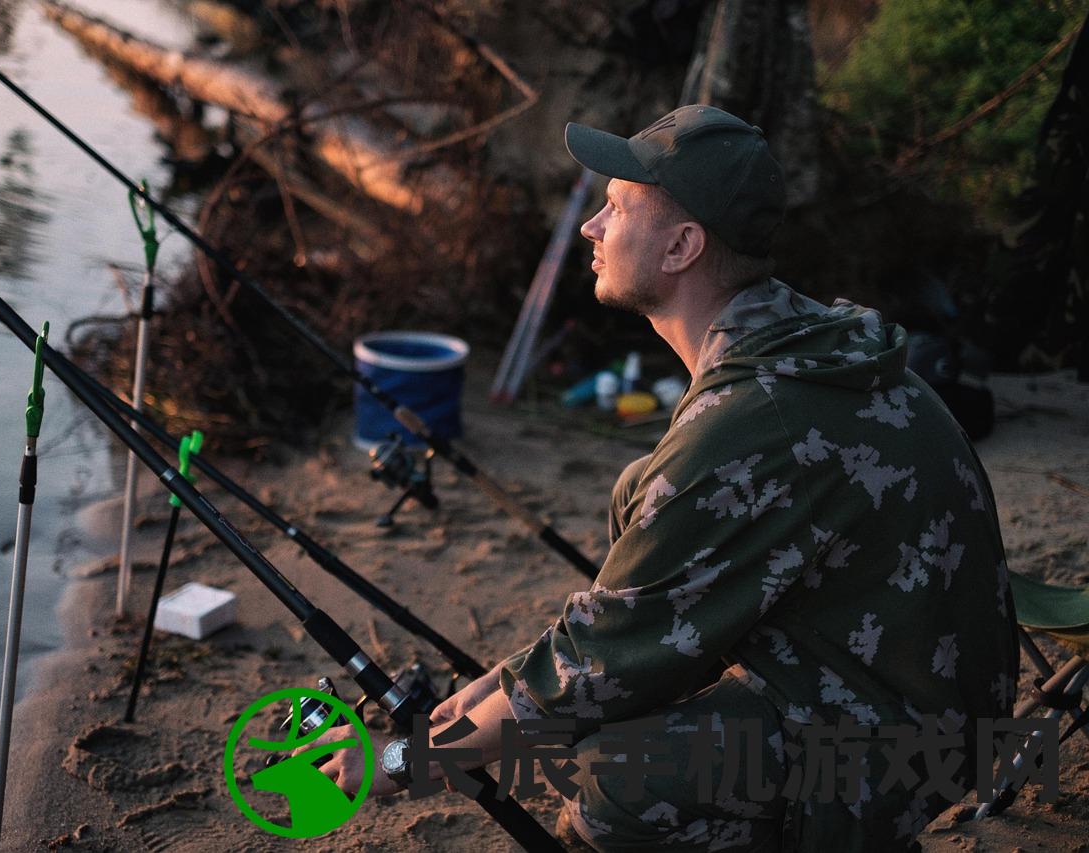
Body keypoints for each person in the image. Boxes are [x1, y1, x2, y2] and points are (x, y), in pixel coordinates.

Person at [299, 105, 1019, 851]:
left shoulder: (744, 425)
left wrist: (396, 760)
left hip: (903, 745)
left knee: (617, 780)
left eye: (614, 208)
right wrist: (471, 702)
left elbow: (590, 665)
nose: (590, 227)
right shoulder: (804, 341)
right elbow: (609, 632)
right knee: (636, 489)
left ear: (681, 246)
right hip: (926, 690)